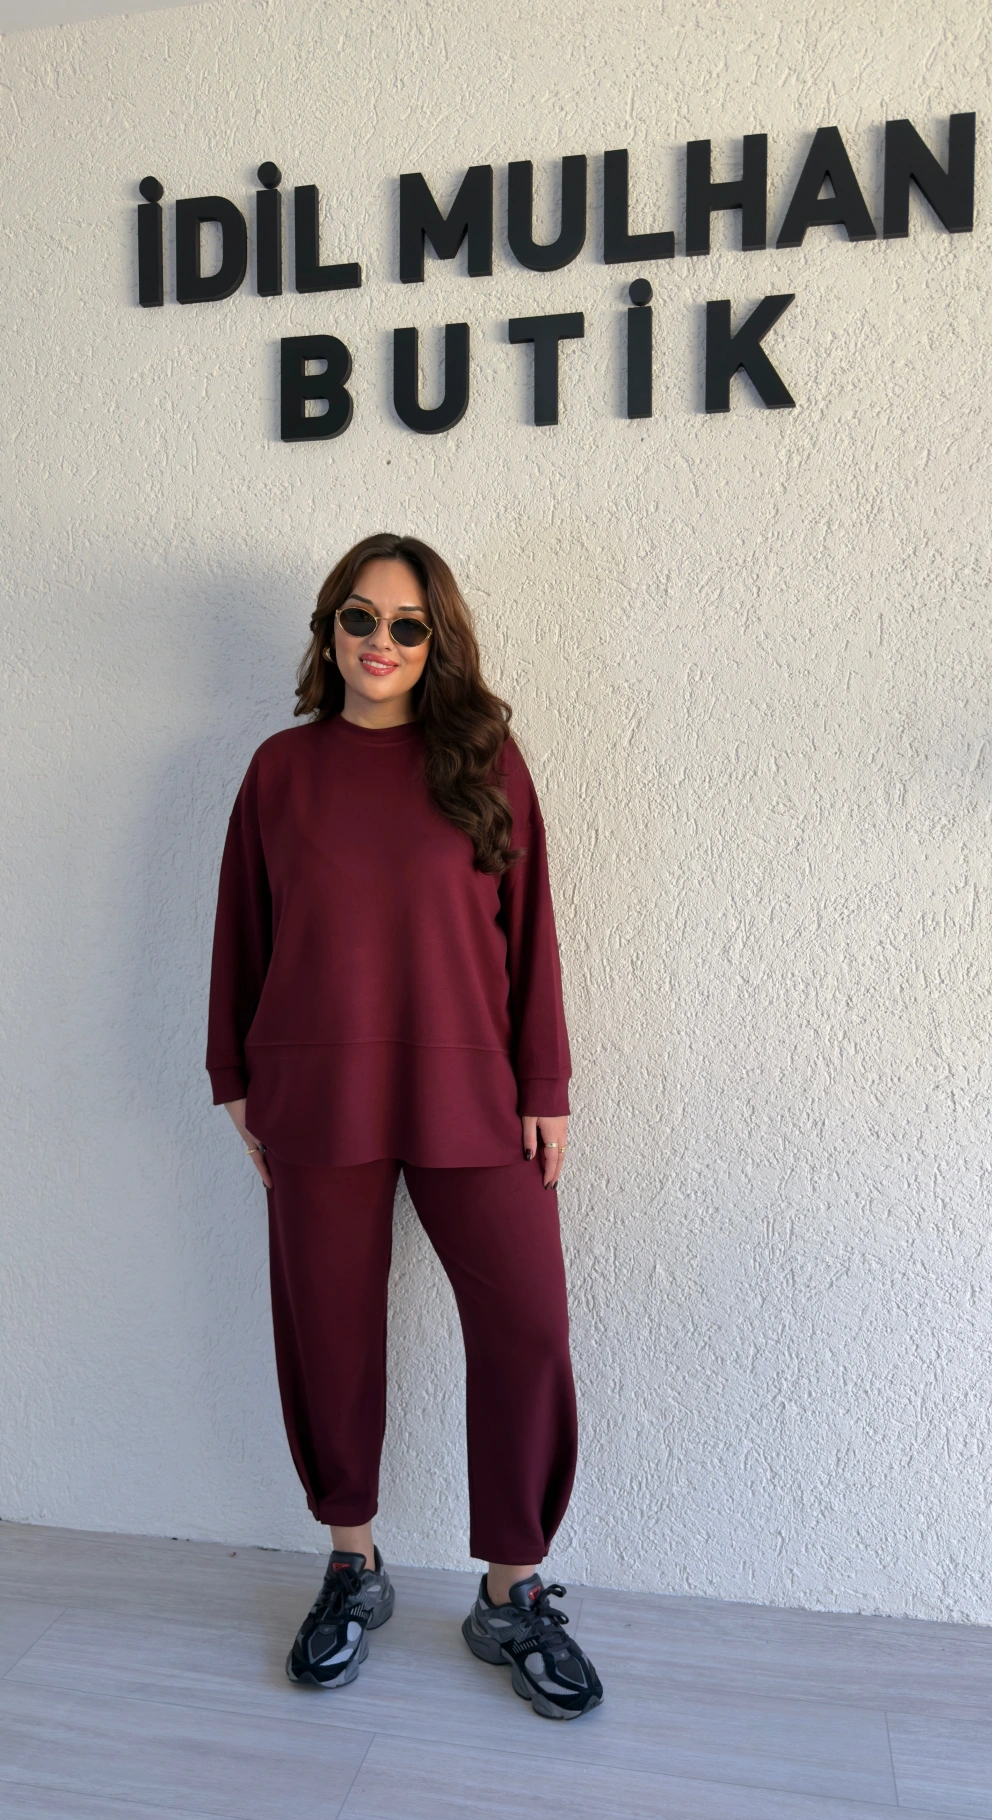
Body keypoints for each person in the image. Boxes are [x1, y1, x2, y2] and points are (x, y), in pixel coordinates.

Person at [206, 533, 603, 1720]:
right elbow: (241, 929)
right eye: (359, 616)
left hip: (473, 1092)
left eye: (407, 624)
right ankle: (351, 1560)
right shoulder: (279, 770)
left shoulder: (483, 760)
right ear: (328, 628)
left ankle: (512, 1588)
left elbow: (531, 930)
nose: (380, 640)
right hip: (313, 1092)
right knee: (327, 1332)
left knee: (527, 1327)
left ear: (437, 643)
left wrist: (545, 1081)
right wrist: (233, 1073)